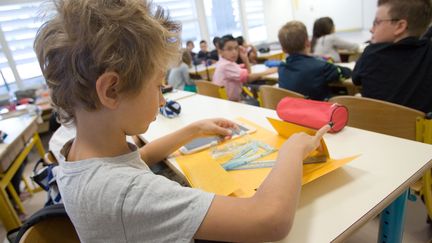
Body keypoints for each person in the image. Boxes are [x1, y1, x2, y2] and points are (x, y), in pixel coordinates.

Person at [34, 1, 330, 242]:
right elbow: (269, 220)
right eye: (157, 86)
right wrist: (293, 149)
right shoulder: (127, 194)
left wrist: (193, 130)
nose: (162, 100)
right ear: (111, 90)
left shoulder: (79, 153)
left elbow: (141, 158)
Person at [352, 0, 432, 113]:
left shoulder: (371, 54)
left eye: (376, 22)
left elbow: (356, 80)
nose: (371, 29)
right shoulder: (428, 52)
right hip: (421, 129)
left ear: (400, 26)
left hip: (372, 128)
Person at [278, 21, 352, 100]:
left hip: (292, 110)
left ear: (283, 49)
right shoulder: (321, 66)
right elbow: (345, 73)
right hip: (318, 110)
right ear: (307, 43)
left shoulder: (282, 67)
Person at [212, 34, 277, 102]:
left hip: (227, 101)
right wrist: (269, 71)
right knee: (259, 102)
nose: (234, 52)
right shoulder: (226, 65)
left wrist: (245, 58)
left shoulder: (224, 62)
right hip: (230, 104)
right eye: (229, 49)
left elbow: (247, 74)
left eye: (236, 48)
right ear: (220, 51)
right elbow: (248, 78)